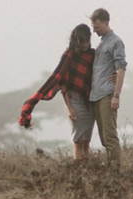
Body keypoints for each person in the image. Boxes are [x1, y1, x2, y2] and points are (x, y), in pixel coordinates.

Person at [19, 23, 97, 161]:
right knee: (78, 140)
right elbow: (62, 82)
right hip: (74, 102)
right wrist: (69, 106)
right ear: (77, 41)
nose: (86, 44)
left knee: (86, 141)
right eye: (83, 41)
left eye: (88, 40)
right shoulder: (69, 55)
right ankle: (79, 170)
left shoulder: (92, 55)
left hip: (89, 103)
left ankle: (88, 171)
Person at [88, 7, 126, 169]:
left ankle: (116, 172)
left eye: (97, 27)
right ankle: (110, 169)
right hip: (96, 95)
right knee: (103, 137)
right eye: (93, 27)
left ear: (106, 22)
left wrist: (116, 95)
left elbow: (121, 68)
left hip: (107, 95)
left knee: (110, 136)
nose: (94, 31)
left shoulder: (116, 42)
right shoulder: (102, 42)